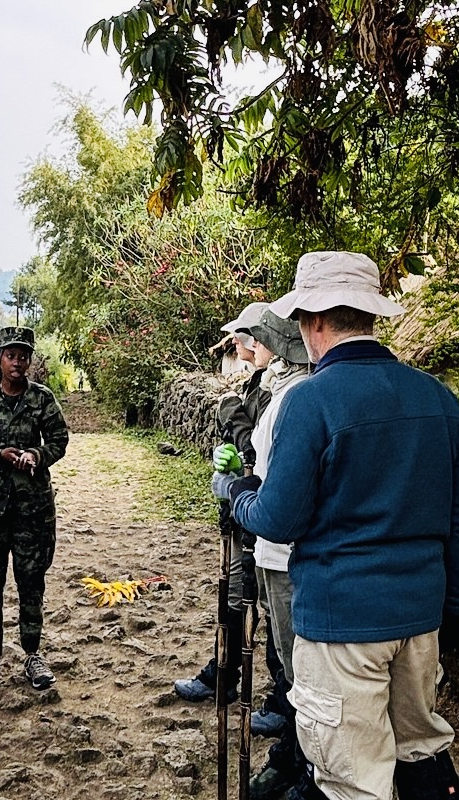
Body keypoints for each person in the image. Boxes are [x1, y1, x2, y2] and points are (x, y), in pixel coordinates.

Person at [216, 251, 459, 800]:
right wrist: (450, 606)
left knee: (352, 777)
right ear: (368, 316)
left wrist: (236, 491)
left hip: (342, 623)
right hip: (419, 615)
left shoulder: (310, 402)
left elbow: (279, 519)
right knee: (419, 749)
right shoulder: (438, 398)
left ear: (313, 320)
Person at [174, 301, 287, 740]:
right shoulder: (263, 380)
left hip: (269, 514)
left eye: (245, 338)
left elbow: (263, 450)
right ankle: (223, 674)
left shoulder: (290, 387)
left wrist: (236, 423)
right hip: (247, 508)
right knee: (237, 599)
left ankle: (282, 703)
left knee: (274, 611)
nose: (240, 346)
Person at [214, 310, 312, 800]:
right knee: (293, 665)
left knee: (300, 673)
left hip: (285, 548)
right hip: (274, 546)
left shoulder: (298, 395)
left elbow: (278, 492)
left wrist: (238, 492)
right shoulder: (282, 389)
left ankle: (300, 767)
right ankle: (295, 760)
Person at [0, 326, 69, 694]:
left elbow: (59, 439)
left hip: (32, 508)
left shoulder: (42, 399)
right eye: (11, 355)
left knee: (31, 583)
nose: (18, 362)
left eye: (24, 356)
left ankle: (33, 655)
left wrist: (36, 454)